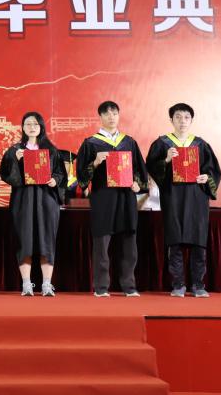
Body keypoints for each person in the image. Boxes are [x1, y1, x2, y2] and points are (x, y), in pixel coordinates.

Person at [146, 103, 221, 298]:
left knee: (198, 242)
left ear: (191, 120)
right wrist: (166, 160)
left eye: (186, 117)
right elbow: (151, 167)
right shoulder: (163, 144)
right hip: (173, 197)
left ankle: (198, 285)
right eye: (178, 117)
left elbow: (212, 171)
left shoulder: (200, 144)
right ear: (171, 120)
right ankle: (178, 284)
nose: (182, 121)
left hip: (197, 198)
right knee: (175, 241)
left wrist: (206, 178)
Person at [76, 100, 148, 298]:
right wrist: (95, 162)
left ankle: (129, 286)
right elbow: (81, 176)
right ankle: (101, 287)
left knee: (129, 243)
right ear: (100, 117)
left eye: (114, 113)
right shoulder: (91, 143)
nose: (111, 117)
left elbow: (140, 171)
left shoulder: (129, 142)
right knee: (101, 243)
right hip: (103, 197)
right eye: (107, 114)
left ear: (119, 116)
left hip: (126, 197)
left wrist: (138, 184)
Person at [0, 112, 66, 297]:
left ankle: (46, 284)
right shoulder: (15, 150)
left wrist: (55, 180)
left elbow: (61, 174)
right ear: (22, 127)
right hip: (23, 199)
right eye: (28, 124)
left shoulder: (51, 151)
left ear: (41, 127)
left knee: (47, 240)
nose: (32, 127)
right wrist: (16, 160)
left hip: (47, 200)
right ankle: (26, 284)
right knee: (24, 239)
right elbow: (6, 174)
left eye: (35, 124)